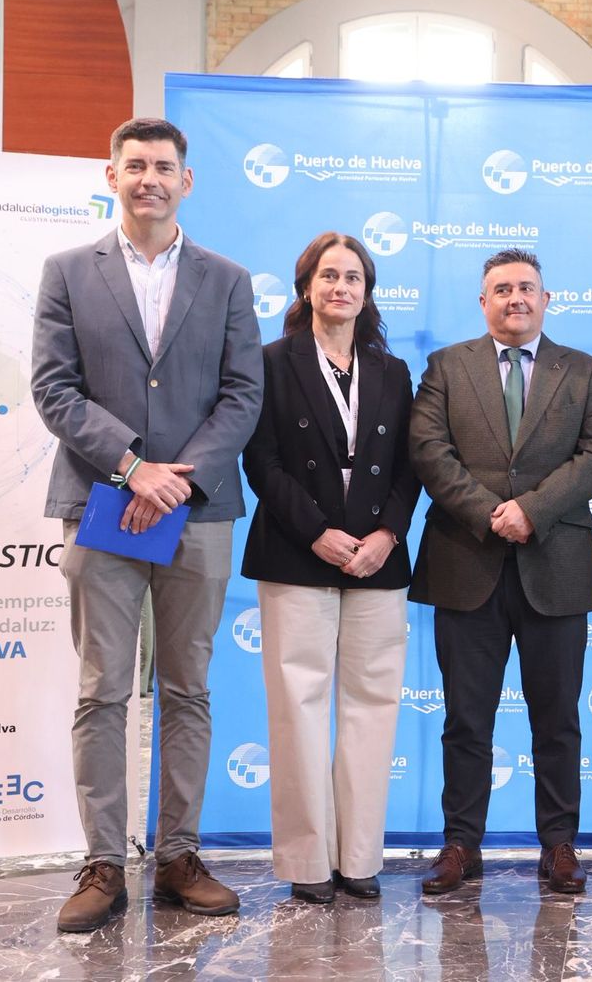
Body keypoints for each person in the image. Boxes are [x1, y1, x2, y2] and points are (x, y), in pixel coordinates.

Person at [30, 117, 262, 932]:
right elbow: (53, 388)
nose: (150, 178)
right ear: (112, 174)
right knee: (102, 690)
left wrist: (174, 480)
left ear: (186, 181)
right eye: (135, 165)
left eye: (164, 166)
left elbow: (243, 394)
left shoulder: (228, 279)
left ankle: (177, 857)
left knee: (188, 688)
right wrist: (135, 469)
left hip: (195, 513)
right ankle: (101, 863)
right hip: (102, 505)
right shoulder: (67, 272)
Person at [408, 248, 592, 895]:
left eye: (527, 287)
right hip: (466, 561)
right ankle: (459, 843)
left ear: (546, 298)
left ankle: (559, 844)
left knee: (558, 718)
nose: (515, 297)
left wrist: (531, 510)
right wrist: (490, 512)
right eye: (501, 288)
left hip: (557, 563)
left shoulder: (584, 371)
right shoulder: (446, 366)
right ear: (482, 302)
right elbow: (428, 449)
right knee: (465, 718)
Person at [240, 231, 419, 905]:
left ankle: (360, 856)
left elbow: (412, 467)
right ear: (305, 286)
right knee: (298, 707)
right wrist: (316, 532)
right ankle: (308, 861)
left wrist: (388, 533)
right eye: (328, 275)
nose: (340, 286)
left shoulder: (394, 372)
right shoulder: (270, 362)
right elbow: (261, 461)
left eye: (353, 277)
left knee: (373, 705)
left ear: (367, 293)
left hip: (377, 555)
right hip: (296, 550)